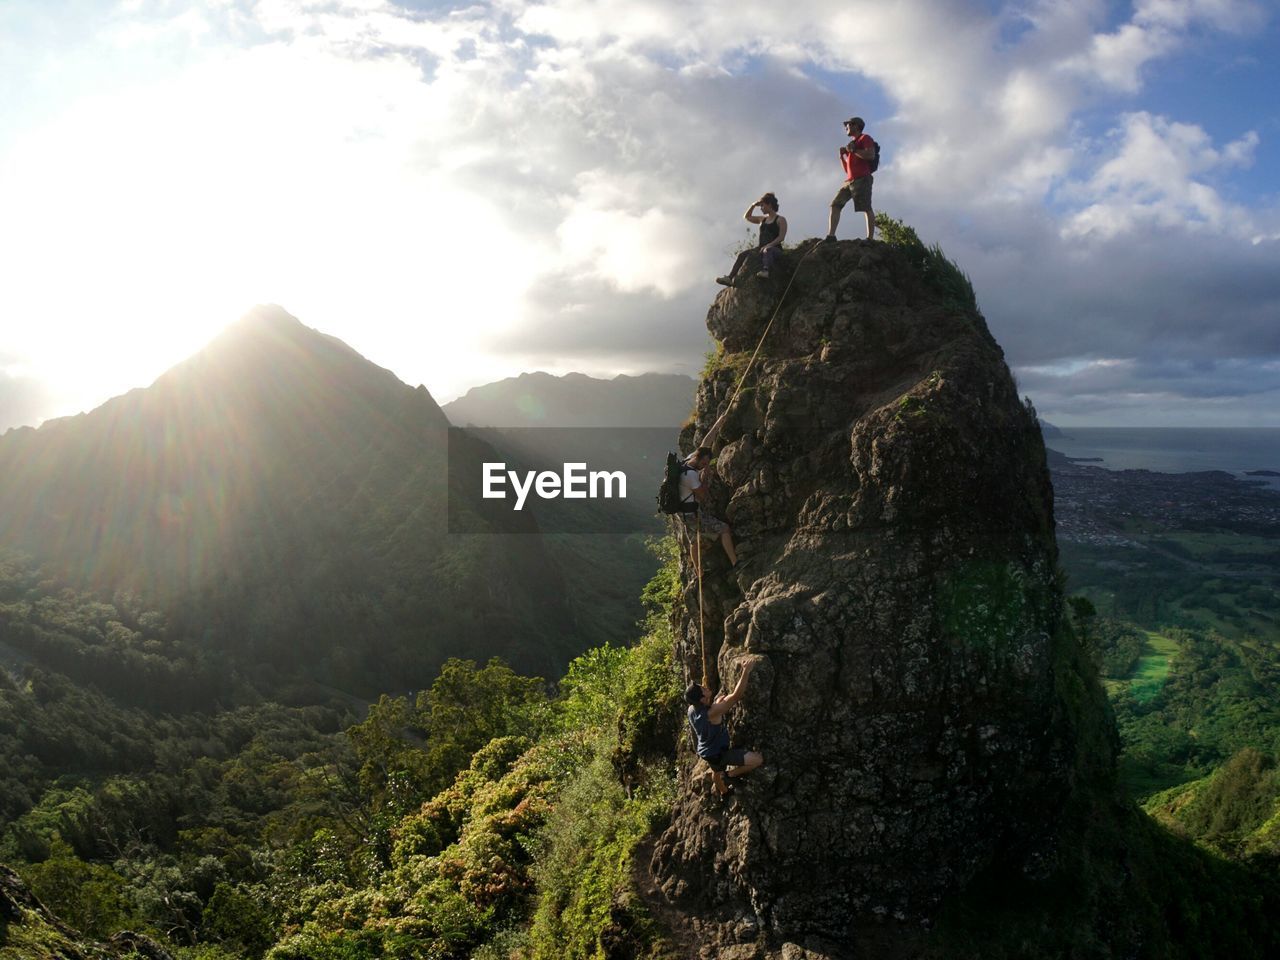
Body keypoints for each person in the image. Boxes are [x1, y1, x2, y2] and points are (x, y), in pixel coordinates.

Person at [685, 660, 763, 798]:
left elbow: (708, 713)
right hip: (718, 753)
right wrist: (746, 671)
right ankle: (729, 774)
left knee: (716, 771)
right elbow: (736, 696)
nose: (704, 686)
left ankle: (724, 792)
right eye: (702, 689)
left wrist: (715, 703)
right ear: (702, 700)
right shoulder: (712, 713)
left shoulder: (692, 709)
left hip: (706, 752)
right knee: (757, 760)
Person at [680, 443, 737, 565]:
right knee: (724, 529)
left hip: (681, 512)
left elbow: (705, 442)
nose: (704, 466)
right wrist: (704, 478)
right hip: (692, 514)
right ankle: (735, 563)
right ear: (697, 458)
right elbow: (702, 495)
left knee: (694, 541)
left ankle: (698, 573)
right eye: (703, 464)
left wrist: (718, 424)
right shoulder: (691, 475)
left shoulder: (686, 461)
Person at [717, 193, 788, 286]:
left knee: (767, 250)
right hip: (761, 248)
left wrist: (769, 245)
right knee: (742, 255)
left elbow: (781, 237)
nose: (761, 208)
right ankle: (730, 278)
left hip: (775, 249)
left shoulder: (780, 219)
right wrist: (753, 205)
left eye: (762, 205)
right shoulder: (762, 219)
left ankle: (765, 270)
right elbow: (747, 217)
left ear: (769, 204)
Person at [825, 117, 876, 241]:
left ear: (856, 126)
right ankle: (831, 236)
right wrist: (842, 157)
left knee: (866, 207)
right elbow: (848, 170)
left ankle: (870, 238)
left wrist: (854, 150)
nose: (846, 127)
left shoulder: (865, 138)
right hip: (850, 180)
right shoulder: (852, 144)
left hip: (863, 178)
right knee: (835, 204)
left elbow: (870, 155)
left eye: (847, 125)